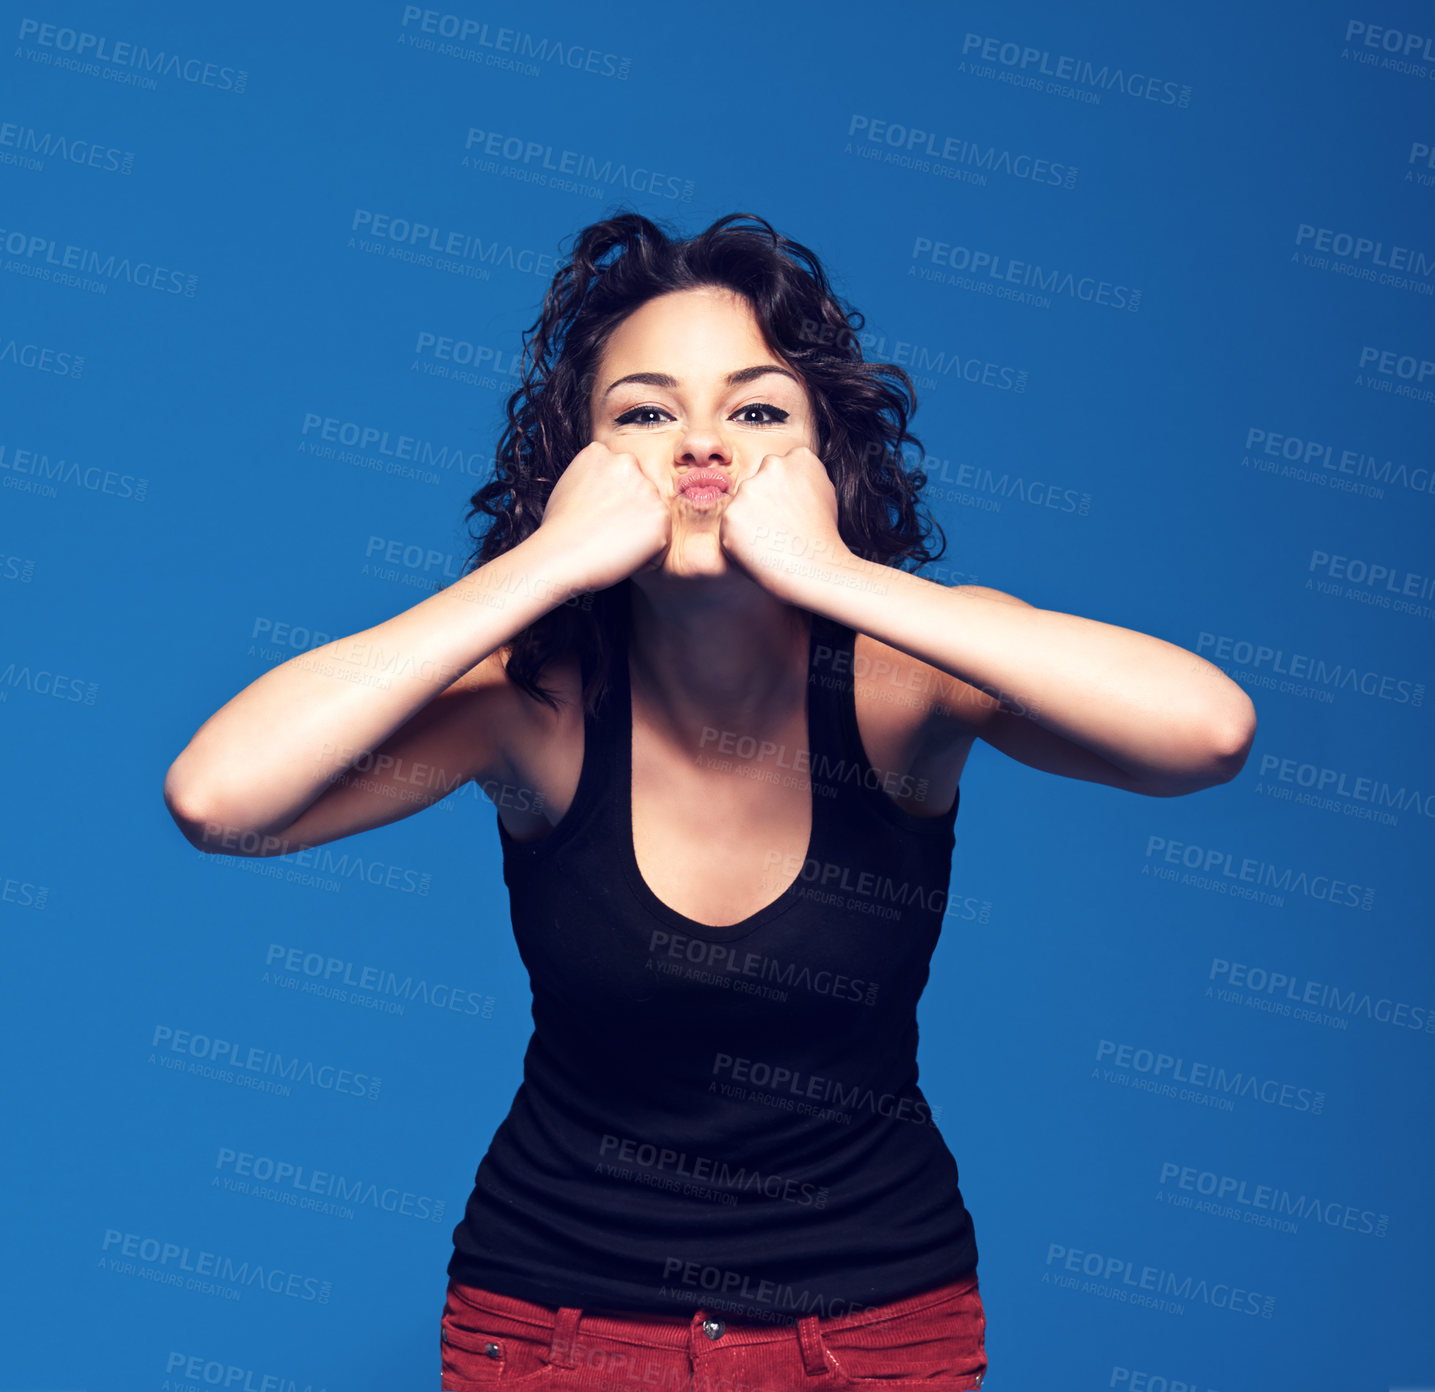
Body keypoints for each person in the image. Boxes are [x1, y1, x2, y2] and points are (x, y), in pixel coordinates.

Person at [163, 211, 1257, 1391]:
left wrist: (835, 576)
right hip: (551, 1329)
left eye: (755, 410)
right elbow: (219, 798)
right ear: (576, 468)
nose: (700, 445)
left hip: (876, 1328)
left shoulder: (908, 690)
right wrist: (539, 564)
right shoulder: (525, 711)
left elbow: (1205, 732)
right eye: (642, 412)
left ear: (822, 459)